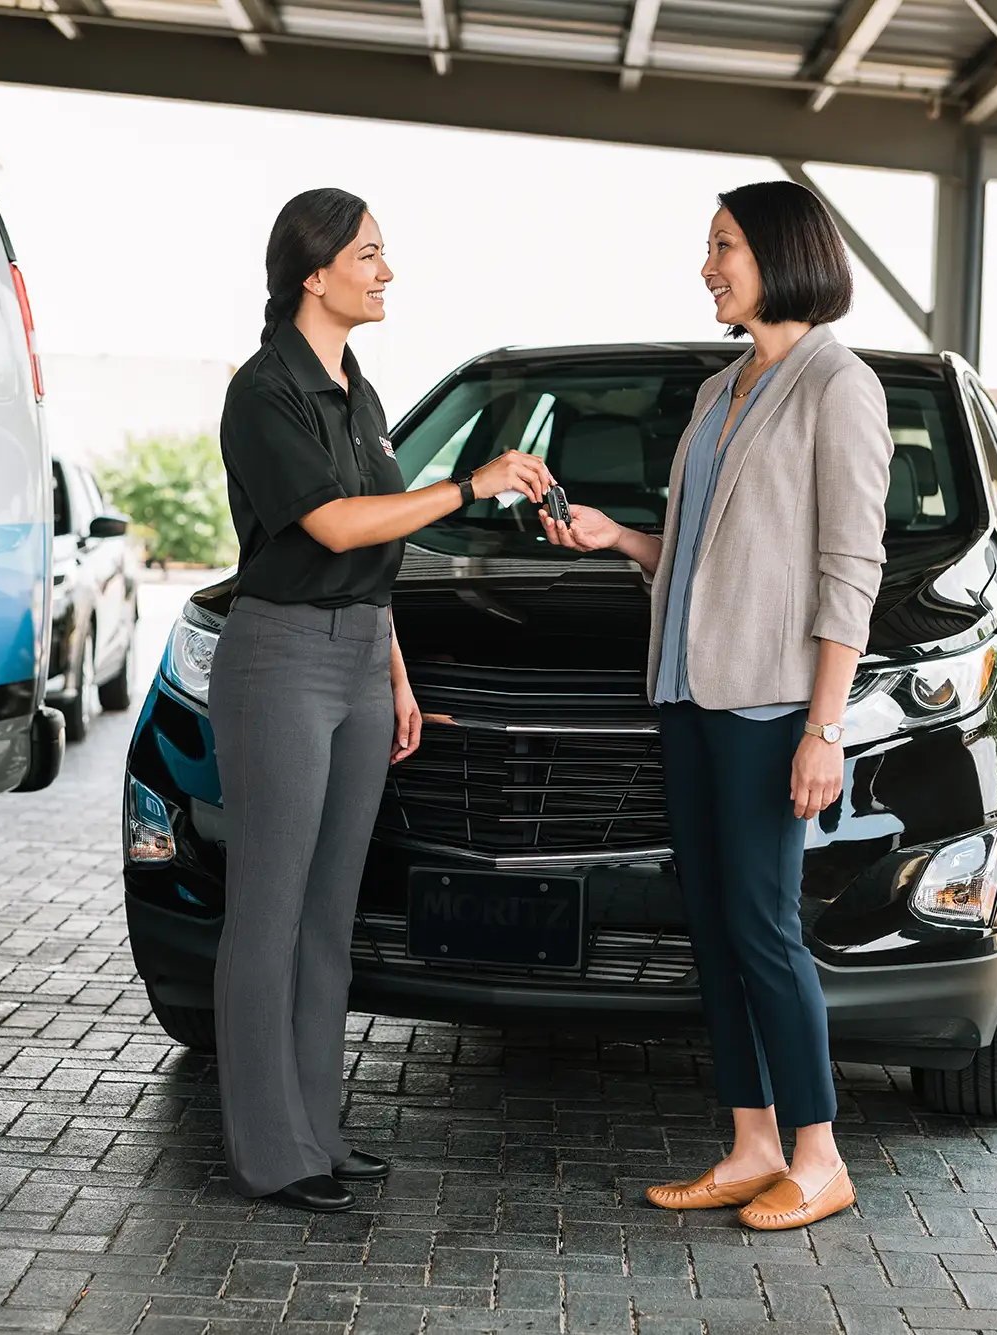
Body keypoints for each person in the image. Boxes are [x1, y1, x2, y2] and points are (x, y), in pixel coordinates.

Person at [541, 180, 891, 1231]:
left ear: (780, 253)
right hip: (688, 695)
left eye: (724, 246)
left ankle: (817, 1155)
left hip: (768, 706)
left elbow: (846, 573)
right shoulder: (719, 389)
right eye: (708, 247)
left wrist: (822, 728)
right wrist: (623, 541)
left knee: (762, 927)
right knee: (712, 929)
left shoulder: (839, 386)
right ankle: (749, 1144)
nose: (708, 266)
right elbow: (705, 556)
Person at [212, 188, 555, 1213]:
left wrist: (394, 673)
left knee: (327, 916)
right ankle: (269, 1154)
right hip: (278, 658)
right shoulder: (263, 390)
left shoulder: (357, 389)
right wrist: (469, 483)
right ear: (312, 273)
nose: (385, 271)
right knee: (265, 915)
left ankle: (317, 1133)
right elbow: (331, 527)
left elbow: (378, 556)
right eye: (368, 254)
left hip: (361, 657)